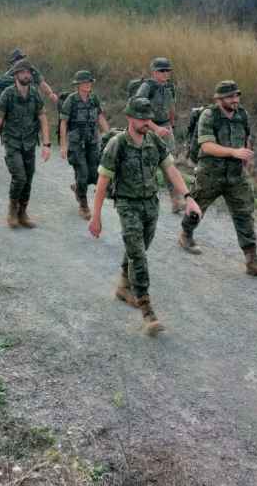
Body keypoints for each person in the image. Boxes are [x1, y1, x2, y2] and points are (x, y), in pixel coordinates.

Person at [89, 97, 202, 336]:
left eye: (148, 118)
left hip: (151, 204)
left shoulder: (154, 142)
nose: (145, 122)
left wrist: (188, 197)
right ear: (129, 117)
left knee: (138, 248)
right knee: (138, 254)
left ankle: (123, 285)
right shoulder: (117, 144)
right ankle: (147, 310)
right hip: (128, 204)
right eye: (141, 117)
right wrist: (95, 217)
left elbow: (171, 170)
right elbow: (102, 183)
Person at [179, 81, 257, 275]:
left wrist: (246, 156)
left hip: (235, 175)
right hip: (210, 174)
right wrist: (234, 152)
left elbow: (247, 138)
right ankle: (186, 235)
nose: (235, 100)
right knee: (197, 208)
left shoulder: (242, 114)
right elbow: (206, 146)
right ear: (219, 99)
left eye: (237, 95)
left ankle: (252, 260)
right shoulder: (209, 115)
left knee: (244, 214)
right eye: (230, 97)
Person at [0, 59, 51, 229]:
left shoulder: (35, 93)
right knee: (20, 176)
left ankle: (23, 212)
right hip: (12, 142)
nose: (26, 75)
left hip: (29, 142)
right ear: (16, 75)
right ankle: (12, 210)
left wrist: (46, 144)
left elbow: (43, 118)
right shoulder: (7, 94)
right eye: (23, 72)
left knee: (28, 179)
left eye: (29, 72)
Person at [134, 57, 184, 213]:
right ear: (154, 72)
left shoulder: (170, 87)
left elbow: (171, 106)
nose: (165, 73)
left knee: (169, 163)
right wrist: (154, 128)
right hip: (147, 128)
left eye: (168, 70)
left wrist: (171, 124)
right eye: (162, 71)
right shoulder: (146, 87)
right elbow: (137, 110)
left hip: (165, 127)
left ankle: (176, 200)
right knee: (145, 164)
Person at [60, 70, 109, 219]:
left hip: (92, 142)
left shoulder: (94, 99)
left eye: (89, 82)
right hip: (76, 143)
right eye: (85, 82)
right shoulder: (71, 100)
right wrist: (63, 145)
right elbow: (63, 123)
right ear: (78, 85)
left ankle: (78, 189)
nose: (88, 85)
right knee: (82, 173)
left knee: (94, 174)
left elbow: (100, 117)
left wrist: (109, 135)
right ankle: (83, 205)